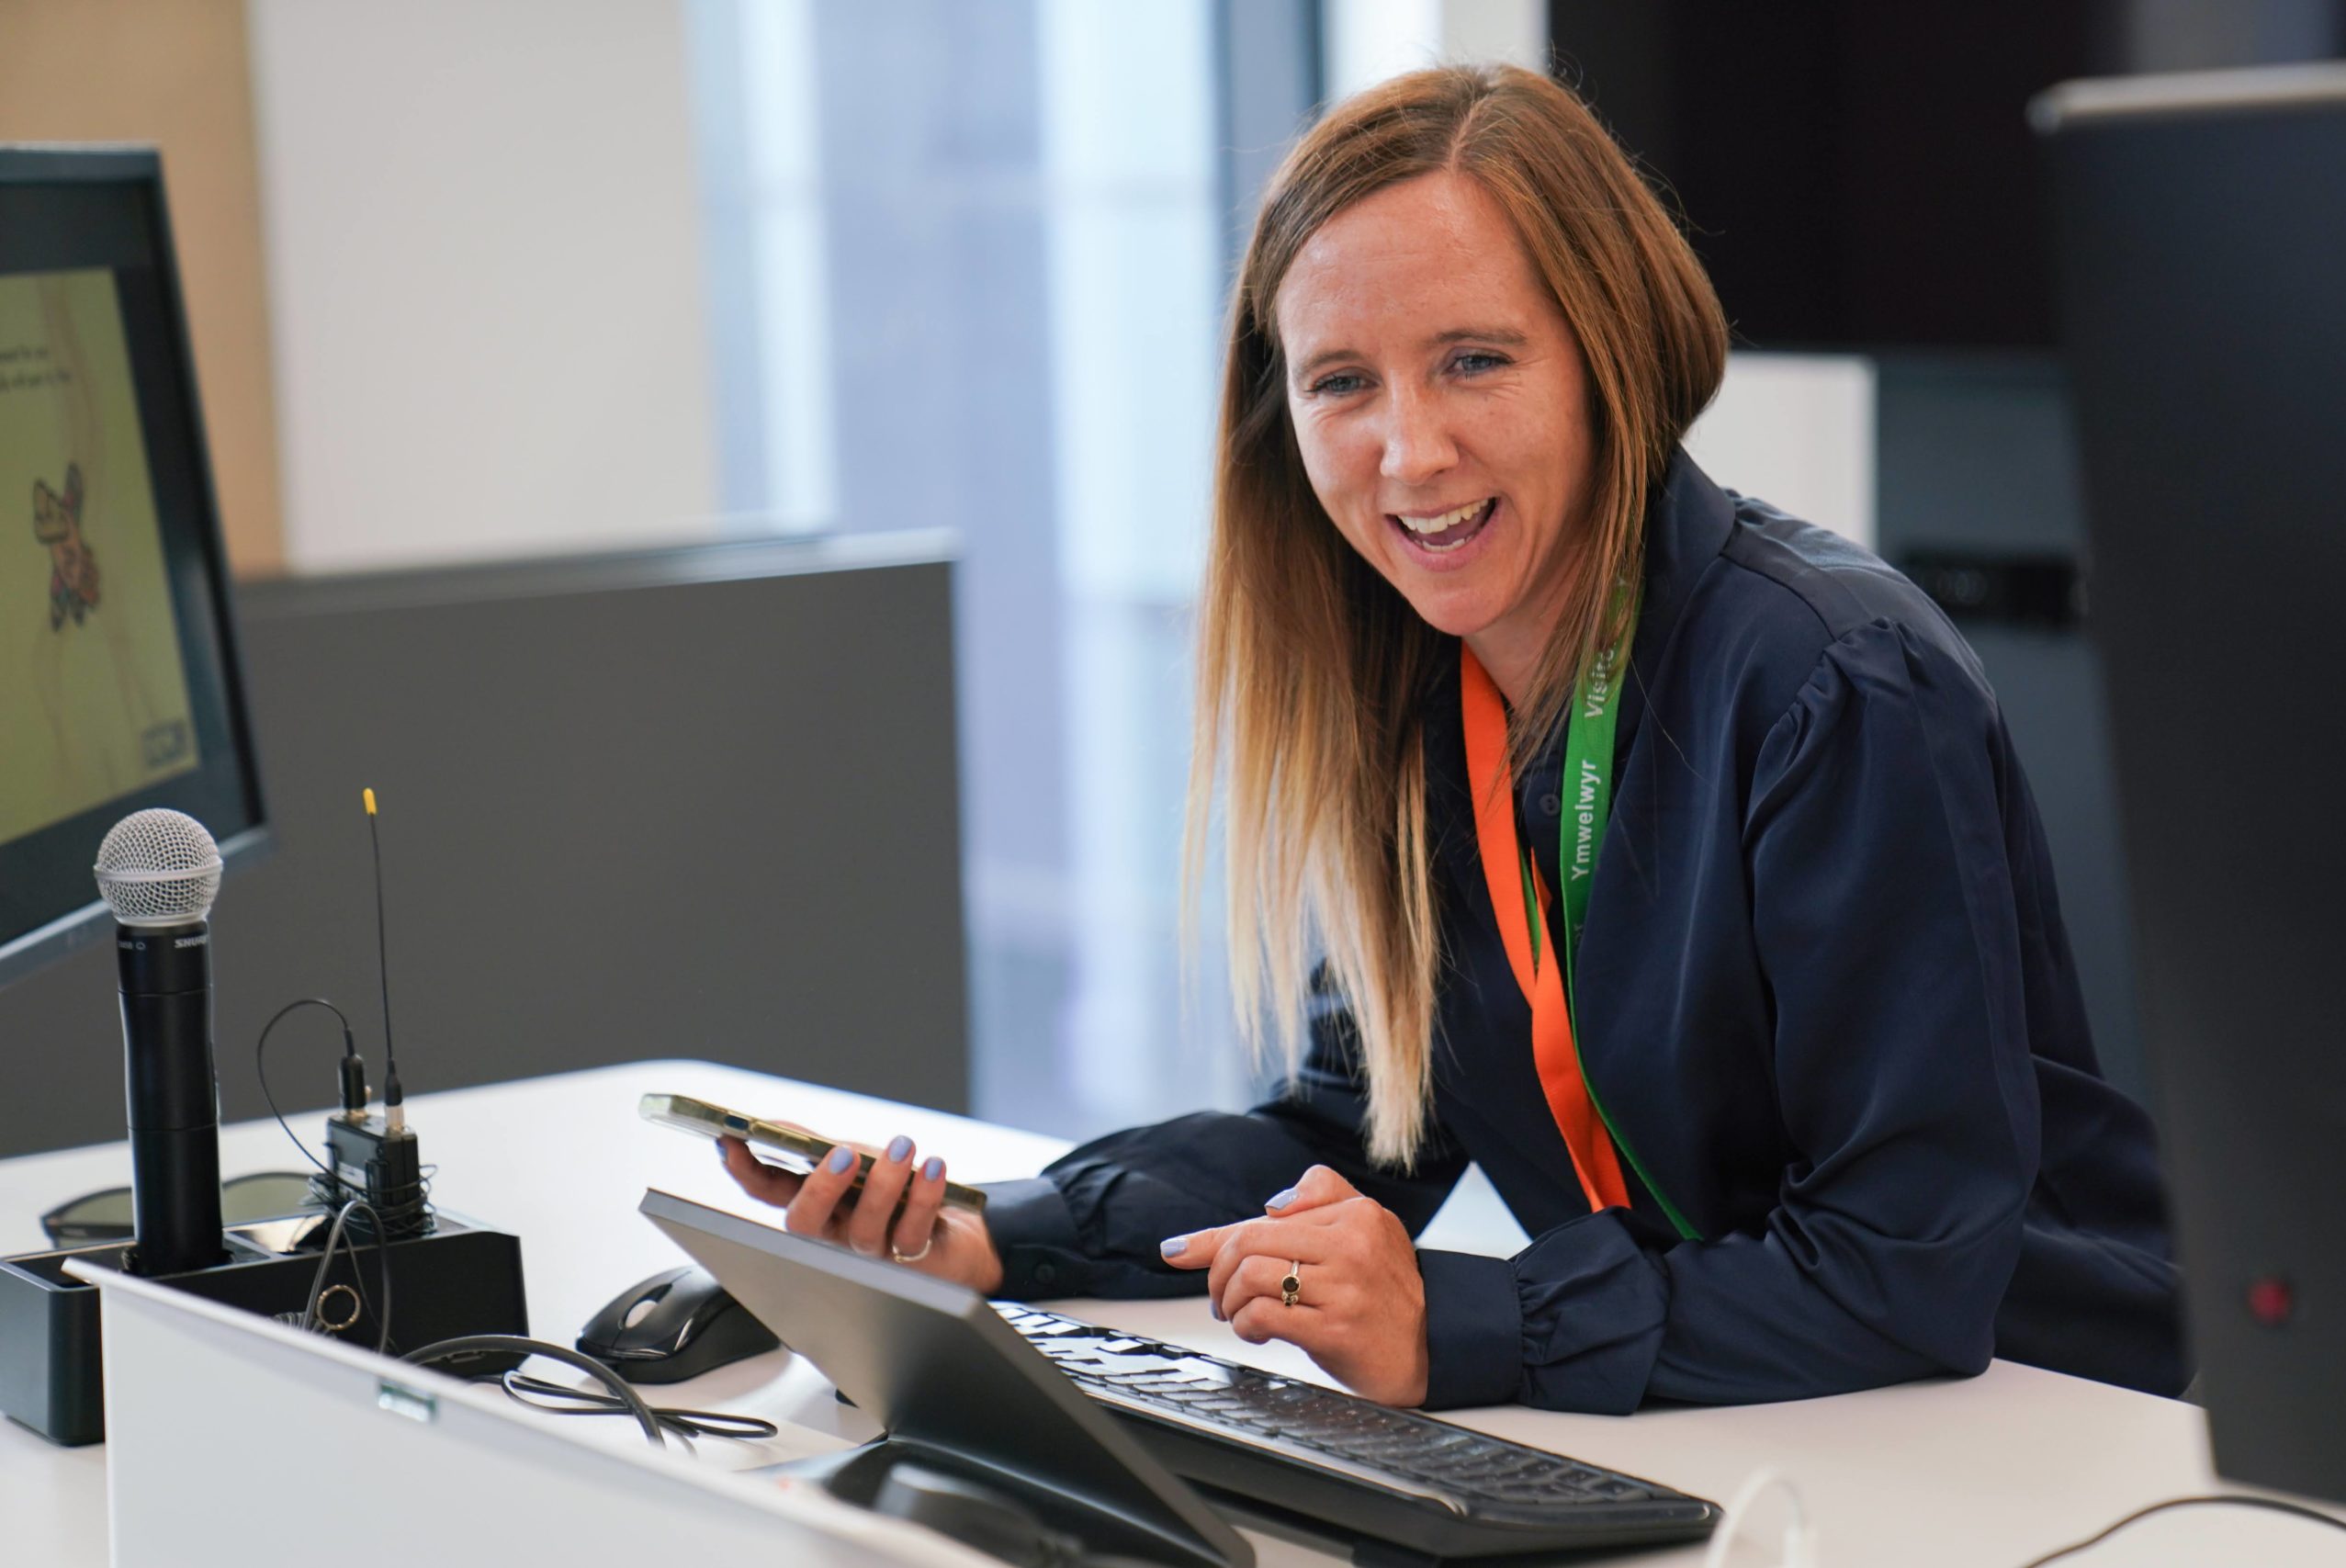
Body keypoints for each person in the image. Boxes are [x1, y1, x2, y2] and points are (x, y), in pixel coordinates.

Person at [720, 62, 2183, 1414]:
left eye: (1475, 359)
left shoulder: (1834, 683)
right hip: (1748, 1428)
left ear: (1612, 356)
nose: (1408, 453)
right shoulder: (1419, 688)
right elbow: (1364, 1124)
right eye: (1341, 381)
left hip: (2043, 1429)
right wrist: (990, 1238)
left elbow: (1901, 1272)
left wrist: (1461, 1327)